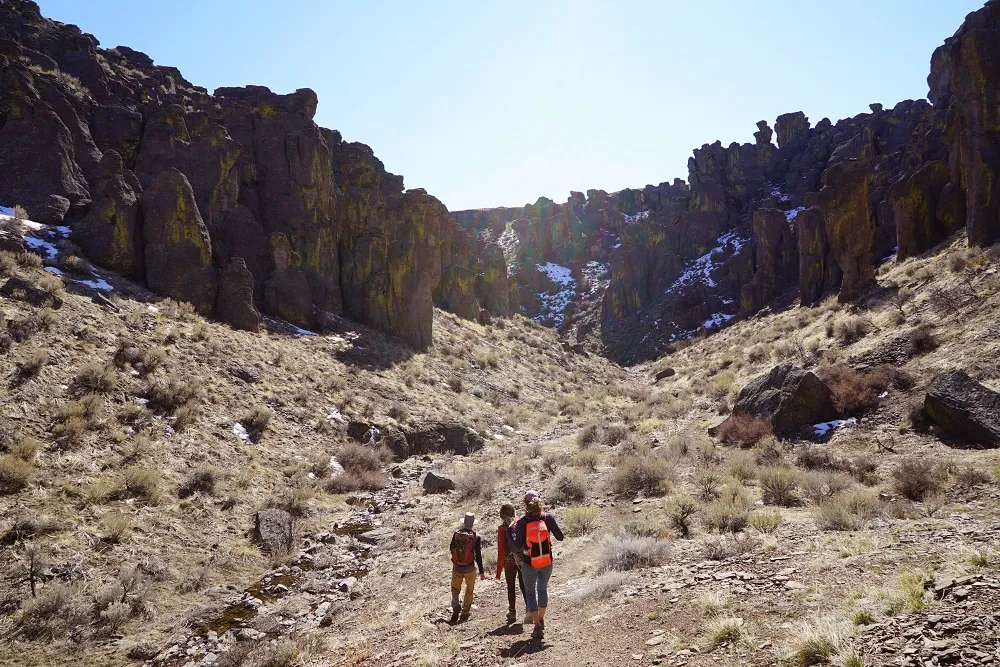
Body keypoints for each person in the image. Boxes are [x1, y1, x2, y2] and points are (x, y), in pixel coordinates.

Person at [513, 490, 564, 640]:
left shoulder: (522, 522)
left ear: (525, 504)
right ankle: (541, 620)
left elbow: (516, 545)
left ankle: (536, 626)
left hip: (529, 563)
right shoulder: (547, 517)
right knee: (542, 589)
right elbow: (560, 537)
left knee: (530, 593)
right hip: (547, 561)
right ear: (539, 501)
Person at [449, 512, 484, 624]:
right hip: (470, 568)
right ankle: (464, 613)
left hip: (457, 568)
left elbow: (451, 548)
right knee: (469, 590)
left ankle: (455, 605)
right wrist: (482, 572)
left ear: (464, 522)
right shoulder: (476, 536)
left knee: (455, 588)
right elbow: (478, 556)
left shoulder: (456, 534)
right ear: (473, 524)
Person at [496, 503, 527, 625]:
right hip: (521, 559)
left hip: (509, 562)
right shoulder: (520, 524)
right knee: (524, 585)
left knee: (511, 587)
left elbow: (501, 551)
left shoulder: (502, 529)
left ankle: (512, 612)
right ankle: (529, 610)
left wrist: (498, 572)